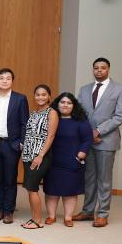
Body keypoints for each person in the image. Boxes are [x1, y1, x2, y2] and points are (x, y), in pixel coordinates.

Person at [73, 57, 122, 228]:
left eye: (102, 68)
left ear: (108, 70)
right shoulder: (84, 89)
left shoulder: (121, 89)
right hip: (87, 141)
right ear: (93, 70)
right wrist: (87, 134)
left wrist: (98, 131)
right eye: (96, 68)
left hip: (106, 140)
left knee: (104, 179)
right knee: (89, 178)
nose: (99, 70)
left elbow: (120, 116)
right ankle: (88, 211)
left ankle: (102, 214)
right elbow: (78, 113)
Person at [44, 93, 93, 227]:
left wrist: (82, 152)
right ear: (57, 104)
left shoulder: (81, 121)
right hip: (52, 160)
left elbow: (88, 139)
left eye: (69, 103)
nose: (65, 105)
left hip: (73, 160)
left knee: (70, 191)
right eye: (62, 102)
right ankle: (51, 216)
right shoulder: (52, 118)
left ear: (74, 105)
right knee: (51, 190)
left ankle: (68, 217)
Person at [0, 68, 29, 224]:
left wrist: (21, 142)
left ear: (12, 81)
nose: (4, 81)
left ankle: (9, 211)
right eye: (1, 78)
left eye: (8, 78)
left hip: (12, 145)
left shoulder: (20, 99)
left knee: (10, 179)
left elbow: (25, 122)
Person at [20, 84, 59, 229]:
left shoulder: (52, 113)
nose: (40, 97)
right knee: (30, 188)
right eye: (37, 94)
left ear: (49, 96)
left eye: (44, 94)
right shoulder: (34, 112)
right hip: (28, 155)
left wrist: (40, 155)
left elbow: (51, 136)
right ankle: (34, 217)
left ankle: (37, 221)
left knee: (32, 188)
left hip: (40, 156)